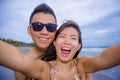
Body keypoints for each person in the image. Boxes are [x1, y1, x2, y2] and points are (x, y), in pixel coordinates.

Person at [0, 20, 92, 80]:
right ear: (55, 42)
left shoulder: (82, 68)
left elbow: (102, 60)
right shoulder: (44, 68)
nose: (67, 41)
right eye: (63, 36)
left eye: (73, 38)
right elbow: (19, 61)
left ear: (79, 45)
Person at [14, 3, 57, 80]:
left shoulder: (65, 53)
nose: (44, 32)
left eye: (50, 27)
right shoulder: (21, 67)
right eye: (38, 26)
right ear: (29, 30)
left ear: (56, 31)